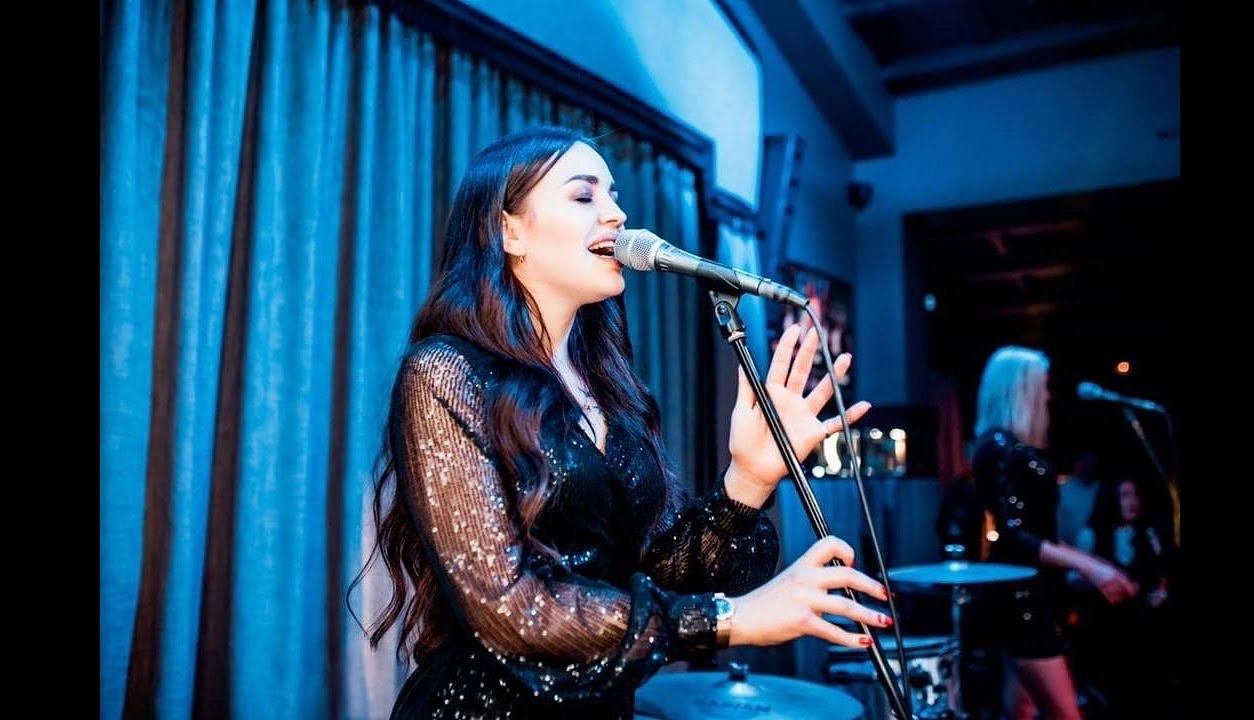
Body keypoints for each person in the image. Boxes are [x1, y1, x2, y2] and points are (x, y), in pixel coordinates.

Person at [349, 126, 892, 718]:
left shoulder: (607, 388)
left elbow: (656, 574)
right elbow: (514, 608)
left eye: (613, 195)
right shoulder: (444, 373)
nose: (616, 214)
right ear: (510, 231)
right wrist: (730, 620)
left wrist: (750, 479)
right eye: (584, 195)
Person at [970, 346, 1138, 720]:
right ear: (1020, 389)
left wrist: (1096, 566)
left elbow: (1040, 532)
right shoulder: (998, 448)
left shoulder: (1010, 447)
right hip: (1021, 598)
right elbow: (1016, 536)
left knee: (1022, 708)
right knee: (1064, 713)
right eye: (1041, 386)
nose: (1047, 396)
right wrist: (1090, 567)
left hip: (1033, 591)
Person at [1071, 477, 1175, 717]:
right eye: (1125, 496)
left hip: (1142, 627)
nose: (1133, 502)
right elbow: (1074, 580)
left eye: (1135, 495)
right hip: (1105, 628)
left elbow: (1160, 571)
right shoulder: (1090, 536)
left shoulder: (1147, 534)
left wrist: (1161, 592)